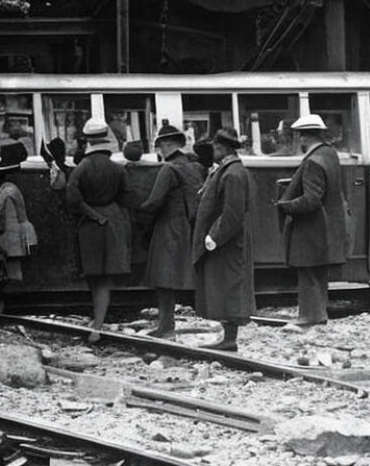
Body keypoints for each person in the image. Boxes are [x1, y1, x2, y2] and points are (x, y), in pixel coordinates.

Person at [275, 114, 348, 327]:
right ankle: (318, 315)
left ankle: (309, 317)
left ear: (303, 137)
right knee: (318, 274)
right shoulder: (330, 154)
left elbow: (311, 201)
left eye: (299, 137)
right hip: (326, 226)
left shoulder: (313, 162)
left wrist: (285, 206)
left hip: (312, 228)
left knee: (308, 273)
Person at [66, 117, 133, 343]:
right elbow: (126, 196)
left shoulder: (81, 168)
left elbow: (73, 200)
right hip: (113, 222)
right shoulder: (117, 168)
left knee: (94, 276)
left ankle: (98, 324)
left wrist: (93, 214)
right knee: (105, 277)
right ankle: (98, 324)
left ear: (88, 142)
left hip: (91, 226)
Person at [138, 123, 205, 339]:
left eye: (160, 146)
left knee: (163, 279)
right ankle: (171, 324)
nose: (160, 151)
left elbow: (155, 201)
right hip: (189, 226)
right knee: (179, 277)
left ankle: (166, 326)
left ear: (167, 144)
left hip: (168, 227)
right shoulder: (195, 167)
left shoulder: (168, 168)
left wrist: (138, 210)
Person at [192, 128, 254, 351]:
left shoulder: (232, 173)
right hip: (226, 240)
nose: (213, 151)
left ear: (223, 148)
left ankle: (230, 339)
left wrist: (214, 236)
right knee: (224, 285)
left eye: (215, 147)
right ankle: (227, 338)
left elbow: (232, 213)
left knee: (229, 286)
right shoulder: (228, 171)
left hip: (227, 241)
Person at [0, 142, 36, 312]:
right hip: (14, 234)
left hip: (5, 235)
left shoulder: (5, 188)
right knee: (10, 272)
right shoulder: (14, 187)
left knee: (3, 272)